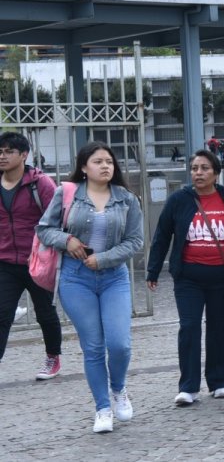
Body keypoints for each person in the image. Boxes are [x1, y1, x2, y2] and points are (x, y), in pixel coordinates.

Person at [35, 142, 143, 434]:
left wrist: (104, 258)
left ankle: (118, 389)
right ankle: (102, 408)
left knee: (119, 344)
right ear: (84, 167)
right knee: (93, 347)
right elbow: (44, 228)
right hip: (75, 278)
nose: (105, 166)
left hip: (114, 278)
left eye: (109, 161)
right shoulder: (66, 193)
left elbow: (135, 241)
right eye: (98, 161)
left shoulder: (127, 199)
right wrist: (66, 240)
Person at [147, 150, 224, 406]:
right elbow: (162, 235)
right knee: (189, 327)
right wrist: (153, 270)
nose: (198, 173)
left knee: (218, 328)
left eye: (204, 168)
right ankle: (188, 386)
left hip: (222, 278)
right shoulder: (179, 200)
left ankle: (219, 381)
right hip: (188, 278)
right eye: (194, 168)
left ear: (215, 173)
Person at [0, 132, 62, 381]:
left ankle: (53, 357)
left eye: (8, 151)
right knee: (1, 314)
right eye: (0, 151)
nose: (2, 156)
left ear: (23, 155)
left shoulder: (41, 184)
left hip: (37, 260)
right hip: (5, 262)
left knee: (45, 312)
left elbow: (58, 217)